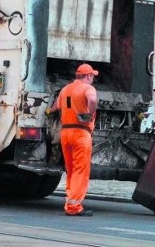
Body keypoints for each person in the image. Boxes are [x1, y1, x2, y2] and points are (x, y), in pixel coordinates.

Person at [46, 63, 98, 216]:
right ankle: (74, 207)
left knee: (71, 170)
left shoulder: (65, 89)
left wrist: (49, 111)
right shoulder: (88, 89)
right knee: (80, 171)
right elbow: (92, 100)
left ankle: (70, 201)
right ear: (87, 76)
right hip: (81, 133)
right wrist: (91, 112)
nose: (93, 78)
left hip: (66, 133)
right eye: (92, 76)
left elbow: (56, 105)